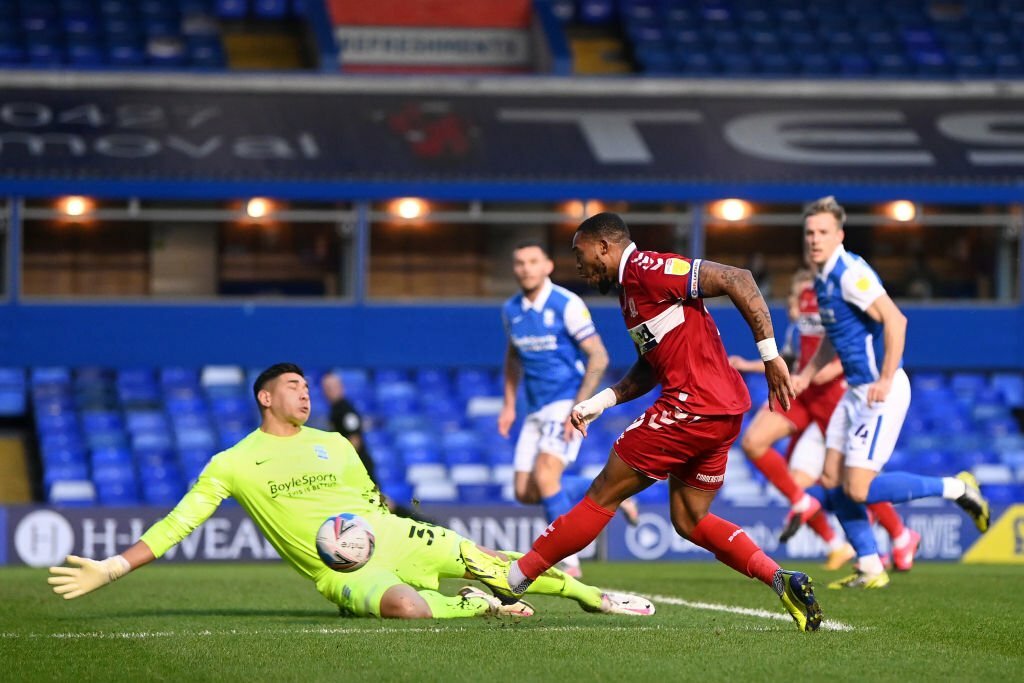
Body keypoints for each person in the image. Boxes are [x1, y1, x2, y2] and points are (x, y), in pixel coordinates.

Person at [47, 363, 654, 619]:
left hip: (391, 534)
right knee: (410, 609)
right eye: (292, 386)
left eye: (307, 386)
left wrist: (407, 539)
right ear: (265, 397)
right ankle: (474, 606)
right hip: (339, 567)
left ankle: (590, 595)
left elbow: (371, 503)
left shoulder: (335, 442)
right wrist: (113, 568)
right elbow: (179, 524)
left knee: (496, 563)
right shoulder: (232, 463)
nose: (304, 394)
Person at [464, 213, 823, 632]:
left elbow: (737, 278)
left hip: (691, 408)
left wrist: (770, 355)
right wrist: (601, 401)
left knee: (602, 494)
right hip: (722, 414)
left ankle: (511, 581)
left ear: (604, 247)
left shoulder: (647, 269)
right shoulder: (630, 292)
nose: (578, 266)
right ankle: (781, 579)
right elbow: (651, 368)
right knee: (690, 519)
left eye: (580, 255)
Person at [791, 196, 990, 589]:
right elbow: (834, 337)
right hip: (854, 394)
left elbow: (896, 320)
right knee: (831, 482)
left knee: (857, 488)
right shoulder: (823, 278)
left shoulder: (849, 273)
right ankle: (869, 565)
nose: (815, 239)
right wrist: (808, 373)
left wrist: (884, 378)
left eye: (823, 232)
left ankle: (958, 488)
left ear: (839, 235)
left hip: (878, 391)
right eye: (810, 232)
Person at [731, 270, 920, 572]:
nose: (801, 302)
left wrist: (815, 375)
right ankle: (816, 518)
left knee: (854, 482)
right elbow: (793, 361)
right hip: (804, 396)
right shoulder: (797, 330)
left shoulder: (836, 309)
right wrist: (749, 366)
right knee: (754, 442)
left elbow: (844, 353)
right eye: (796, 297)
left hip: (836, 399)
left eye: (803, 295)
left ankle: (897, 535)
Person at [499, 241, 635, 578]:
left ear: (547, 266)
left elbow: (599, 356)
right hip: (534, 409)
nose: (526, 268)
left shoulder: (566, 304)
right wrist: (509, 405)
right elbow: (513, 357)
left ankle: (569, 563)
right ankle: (604, 490)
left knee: (546, 476)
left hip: (565, 402)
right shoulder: (511, 310)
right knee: (524, 491)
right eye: (519, 262)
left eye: (533, 261)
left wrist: (580, 406)